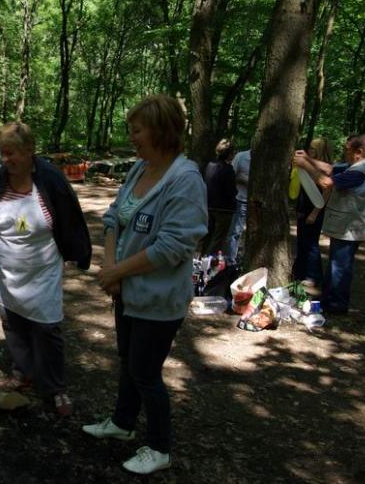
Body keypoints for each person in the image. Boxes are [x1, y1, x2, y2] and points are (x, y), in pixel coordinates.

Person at [83, 95, 207, 475]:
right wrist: (110, 264)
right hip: (127, 291)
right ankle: (122, 423)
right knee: (127, 363)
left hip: (158, 298)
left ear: (160, 130)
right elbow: (112, 217)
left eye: (136, 130)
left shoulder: (185, 180)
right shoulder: (140, 169)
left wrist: (118, 272)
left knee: (146, 373)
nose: (132, 137)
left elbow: (172, 246)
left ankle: (159, 447)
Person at [0, 121, 91, 417]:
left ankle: (54, 387)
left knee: (47, 328)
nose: (7, 159)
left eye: (12, 153)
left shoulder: (50, 178)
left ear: (30, 151)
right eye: (3, 153)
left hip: (41, 269)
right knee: (12, 322)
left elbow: (70, 218)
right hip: (8, 267)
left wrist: (79, 254)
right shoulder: (1, 176)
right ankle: (22, 371)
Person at [293, 134, 365, 315]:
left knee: (340, 266)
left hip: (350, 228)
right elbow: (331, 168)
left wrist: (306, 165)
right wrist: (309, 159)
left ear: (359, 152)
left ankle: (335, 305)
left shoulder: (359, 172)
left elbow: (326, 182)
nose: (344, 153)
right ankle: (330, 299)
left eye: (347, 150)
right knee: (337, 264)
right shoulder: (360, 165)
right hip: (347, 226)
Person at [291, 137, 332, 289]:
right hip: (303, 207)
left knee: (311, 243)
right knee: (301, 242)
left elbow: (327, 191)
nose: (310, 151)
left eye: (314, 149)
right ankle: (299, 272)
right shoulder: (307, 165)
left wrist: (315, 213)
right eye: (310, 148)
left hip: (314, 209)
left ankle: (313, 275)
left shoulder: (324, 168)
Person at [200, 139, 237, 256]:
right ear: (230, 154)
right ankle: (210, 263)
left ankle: (202, 260)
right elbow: (230, 191)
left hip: (209, 206)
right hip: (224, 210)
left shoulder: (209, 166)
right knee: (218, 239)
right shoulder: (228, 170)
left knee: (207, 236)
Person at [228, 148, 251, 264]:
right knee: (236, 232)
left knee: (253, 233)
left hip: (257, 203)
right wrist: (241, 178)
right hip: (241, 199)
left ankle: (245, 260)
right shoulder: (241, 157)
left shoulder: (267, 161)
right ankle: (231, 261)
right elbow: (230, 175)